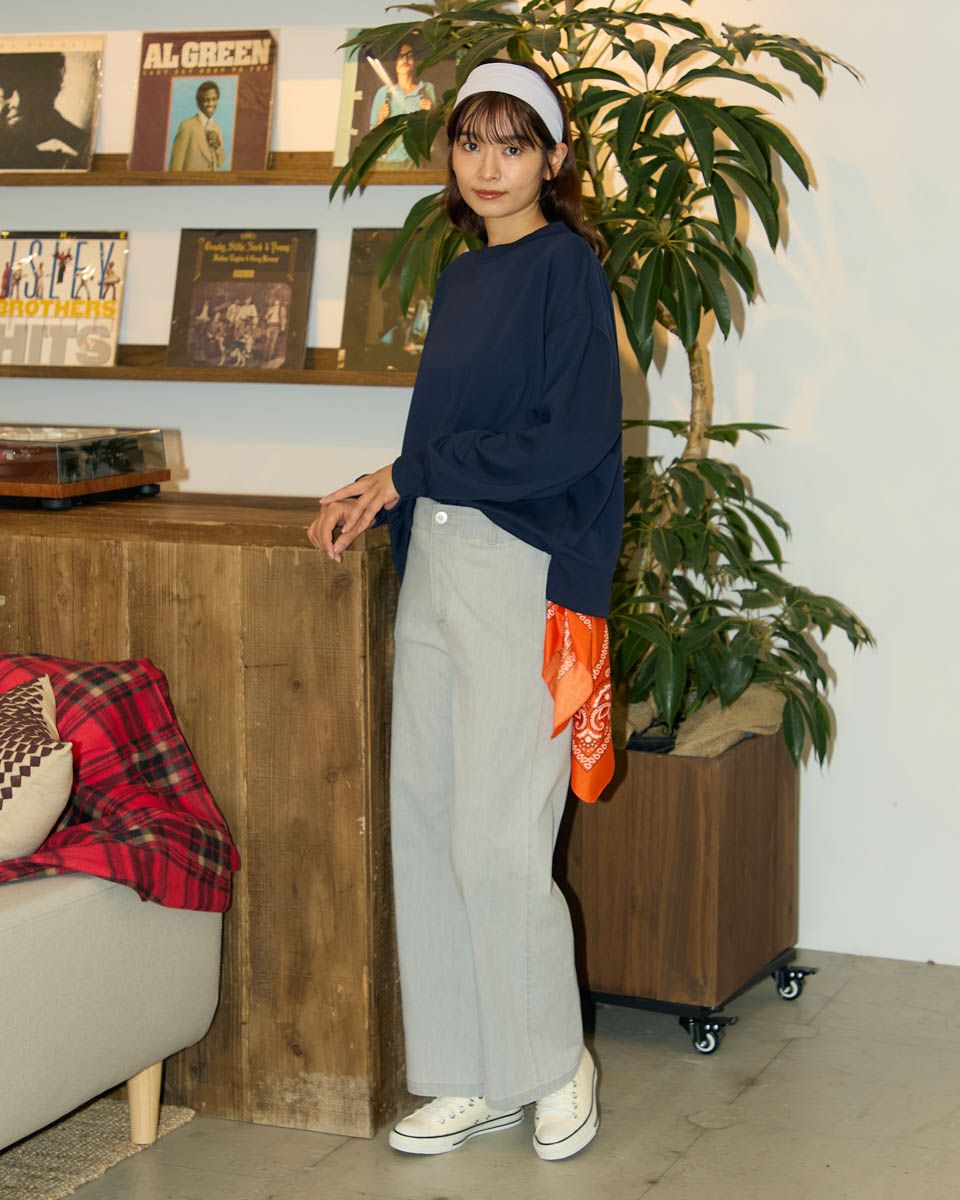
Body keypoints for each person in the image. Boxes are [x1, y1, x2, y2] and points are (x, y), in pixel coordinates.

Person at [309, 59, 623, 1162]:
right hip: (436, 564)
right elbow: (439, 443)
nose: (490, 166)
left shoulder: (565, 269)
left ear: (555, 158)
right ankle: (467, 1073)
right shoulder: (464, 275)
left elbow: (571, 441)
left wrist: (415, 473)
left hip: (518, 571)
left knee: (499, 840)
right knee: (435, 825)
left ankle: (553, 1065)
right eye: (472, 142)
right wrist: (383, 488)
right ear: (450, 151)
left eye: (515, 144)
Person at [368, 41, 436, 166]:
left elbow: (438, 133)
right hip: (386, 164)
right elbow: (372, 138)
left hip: (416, 163)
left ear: (415, 61)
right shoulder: (383, 93)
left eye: (409, 55)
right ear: (394, 62)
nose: (405, 59)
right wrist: (381, 120)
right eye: (401, 56)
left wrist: (431, 114)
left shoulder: (427, 89)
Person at [168, 81, 225, 171]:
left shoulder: (217, 128)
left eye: (214, 99)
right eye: (206, 100)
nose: (211, 104)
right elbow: (175, 166)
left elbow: (221, 162)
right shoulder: (187, 126)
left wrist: (217, 145)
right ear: (198, 103)